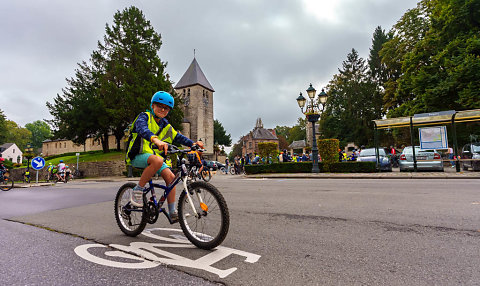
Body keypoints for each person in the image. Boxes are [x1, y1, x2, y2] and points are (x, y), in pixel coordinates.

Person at [126, 91, 203, 223]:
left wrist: (193, 144)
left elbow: (178, 136)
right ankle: (137, 190)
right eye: (159, 106)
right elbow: (143, 129)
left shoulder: (165, 125)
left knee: (171, 178)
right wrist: (155, 140)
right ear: (152, 105)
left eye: (166, 108)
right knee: (158, 160)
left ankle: (173, 212)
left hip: (154, 158)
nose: (162, 109)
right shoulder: (144, 117)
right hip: (137, 155)